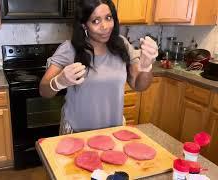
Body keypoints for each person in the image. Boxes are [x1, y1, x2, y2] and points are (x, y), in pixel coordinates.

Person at [39, 0, 158, 134]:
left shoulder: (122, 45)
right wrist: (60, 81)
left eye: (108, 18)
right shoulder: (70, 49)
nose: (105, 26)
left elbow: (138, 85)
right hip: (77, 134)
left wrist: (146, 66)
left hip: (113, 132)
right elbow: (44, 90)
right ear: (84, 25)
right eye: (96, 21)